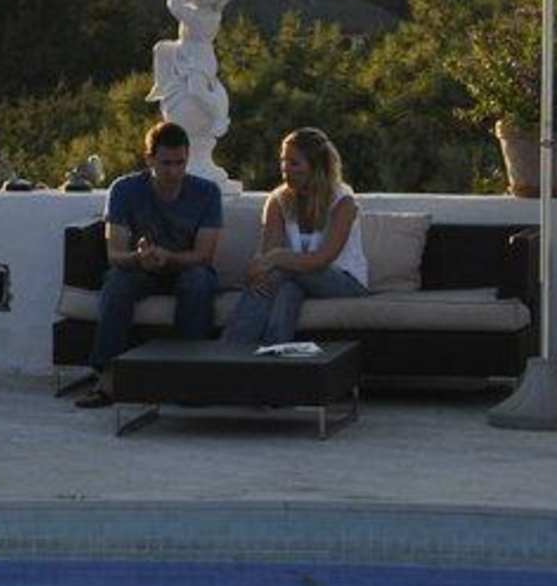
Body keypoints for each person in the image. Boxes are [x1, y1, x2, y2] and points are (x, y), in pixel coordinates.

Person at [74, 120, 224, 409]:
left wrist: (169, 257)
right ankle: (108, 379)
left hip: (186, 267)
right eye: (166, 163)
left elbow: (204, 255)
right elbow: (115, 254)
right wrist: (139, 258)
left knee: (198, 282)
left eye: (180, 163)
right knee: (117, 283)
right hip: (140, 268)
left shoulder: (207, 192)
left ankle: (188, 378)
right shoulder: (124, 190)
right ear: (149, 159)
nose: (174, 172)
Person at [222, 127, 367, 346]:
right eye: (283, 161)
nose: (285, 168)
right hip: (295, 277)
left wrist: (275, 259)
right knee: (287, 289)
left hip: (344, 281)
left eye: (294, 163)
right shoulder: (278, 200)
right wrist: (260, 268)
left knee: (281, 270)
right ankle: (273, 354)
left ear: (315, 166)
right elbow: (267, 255)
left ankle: (229, 349)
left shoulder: (343, 202)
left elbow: (321, 259)